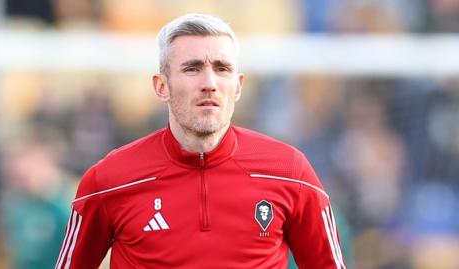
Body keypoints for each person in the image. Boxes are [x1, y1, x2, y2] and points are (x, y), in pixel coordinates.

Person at [55, 13, 346, 269]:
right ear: (162, 86)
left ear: (238, 86)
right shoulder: (110, 180)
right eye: (192, 68)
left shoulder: (290, 171)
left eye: (222, 69)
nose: (209, 82)